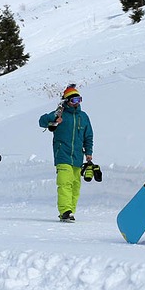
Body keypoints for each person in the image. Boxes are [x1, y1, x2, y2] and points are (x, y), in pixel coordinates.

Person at [38, 85, 94, 222]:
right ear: (67, 101)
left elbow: (88, 136)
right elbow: (42, 121)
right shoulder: (60, 113)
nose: (77, 103)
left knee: (75, 185)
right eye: (74, 100)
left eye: (79, 99)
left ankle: (70, 212)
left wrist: (89, 152)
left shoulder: (83, 116)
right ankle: (65, 211)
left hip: (77, 156)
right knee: (64, 183)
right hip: (62, 154)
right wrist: (54, 117)